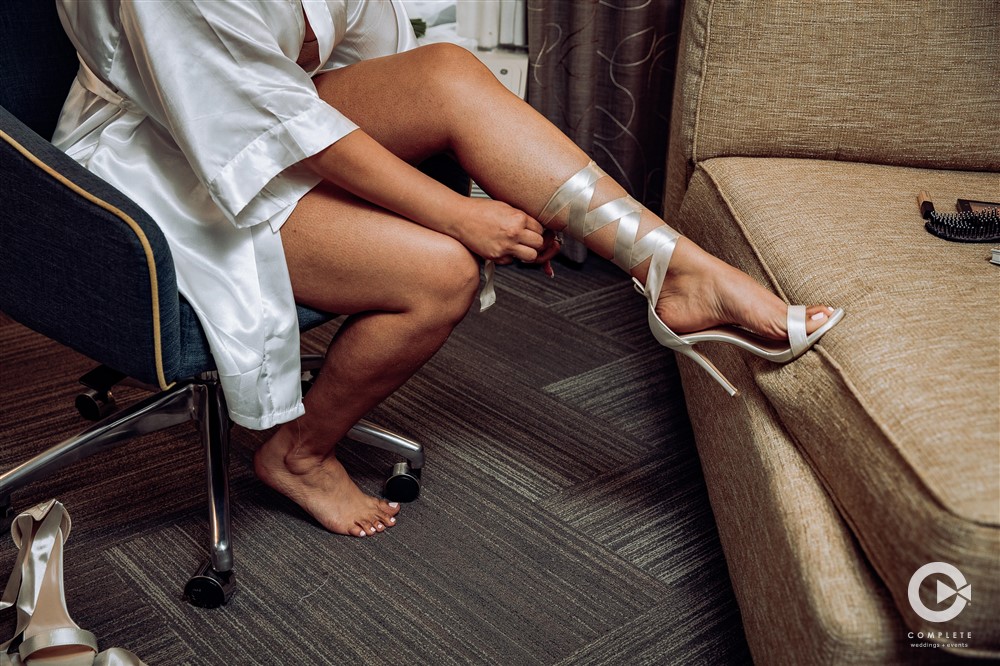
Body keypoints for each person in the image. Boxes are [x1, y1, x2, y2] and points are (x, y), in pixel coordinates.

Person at [53, 1, 842, 539]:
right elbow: (258, 123)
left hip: (266, 116)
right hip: (163, 165)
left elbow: (364, 61)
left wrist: (491, 178)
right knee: (441, 271)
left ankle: (674, 269)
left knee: (448, 73)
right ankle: (295, 454)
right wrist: (456, 213)